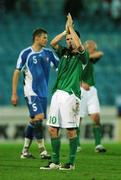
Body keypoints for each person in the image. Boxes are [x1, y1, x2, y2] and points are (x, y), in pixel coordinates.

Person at [40, 13, 88, 170]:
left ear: (76, 39)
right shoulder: (64, 53)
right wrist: (65, 31)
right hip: (57, 94)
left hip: (71, 95)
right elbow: (53, 43)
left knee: (70, 130)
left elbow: (79, 45)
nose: (68, 41)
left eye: (70, 39)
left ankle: (71, 163)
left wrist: (71, 28)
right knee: (53, 128)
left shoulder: (83, 56)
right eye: (67, 40)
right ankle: (55, 161)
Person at [11, 28, 59, 159]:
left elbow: (60, 69)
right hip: (31, 92)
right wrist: (14, 93)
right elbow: (16, 72)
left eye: (46, 37)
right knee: (39, 118)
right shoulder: (26, 53)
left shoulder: (48, 53)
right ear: (36, 38)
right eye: (44, 37)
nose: (46, 40)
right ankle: (42, 150)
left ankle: (25, 151)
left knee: (34, 120)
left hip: (43, 93)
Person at [77, 40, 106, 153]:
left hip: (92, 91)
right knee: (78, 119)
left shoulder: (90, 58)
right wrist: (81, 83)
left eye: (94, 47)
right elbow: (72, 74)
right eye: (92, 47)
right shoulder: (79, 58)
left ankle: (98, 144)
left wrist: (89, 55)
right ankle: (77, 144)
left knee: (96, 117)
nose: (94, 49)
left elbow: (101, 54)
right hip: (80, 90)